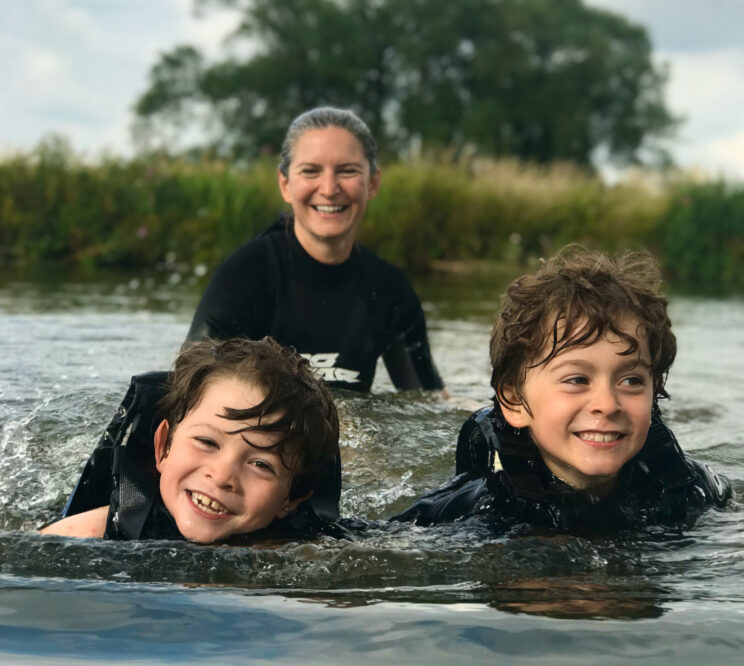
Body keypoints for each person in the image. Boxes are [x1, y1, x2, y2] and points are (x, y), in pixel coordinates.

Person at [392, 246, 731, 531]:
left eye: (631, 381)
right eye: (577, 380)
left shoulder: (695, 494)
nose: (607, 404)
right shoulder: (466, 515)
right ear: (514, 401)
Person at [187, 107, 444, 393]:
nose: (329, 189)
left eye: (347, 171)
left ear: (372, 183)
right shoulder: (244, 277)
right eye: (310, 171)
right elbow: (190, 388)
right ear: (285, 184)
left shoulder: (390, 290)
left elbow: (428, 401)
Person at [40, 337, 341, 543]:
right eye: (207, 442)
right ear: (163, 447)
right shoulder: (83, 535)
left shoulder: (301, 556)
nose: (222, 477)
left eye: (261, 464)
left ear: (291, 500)